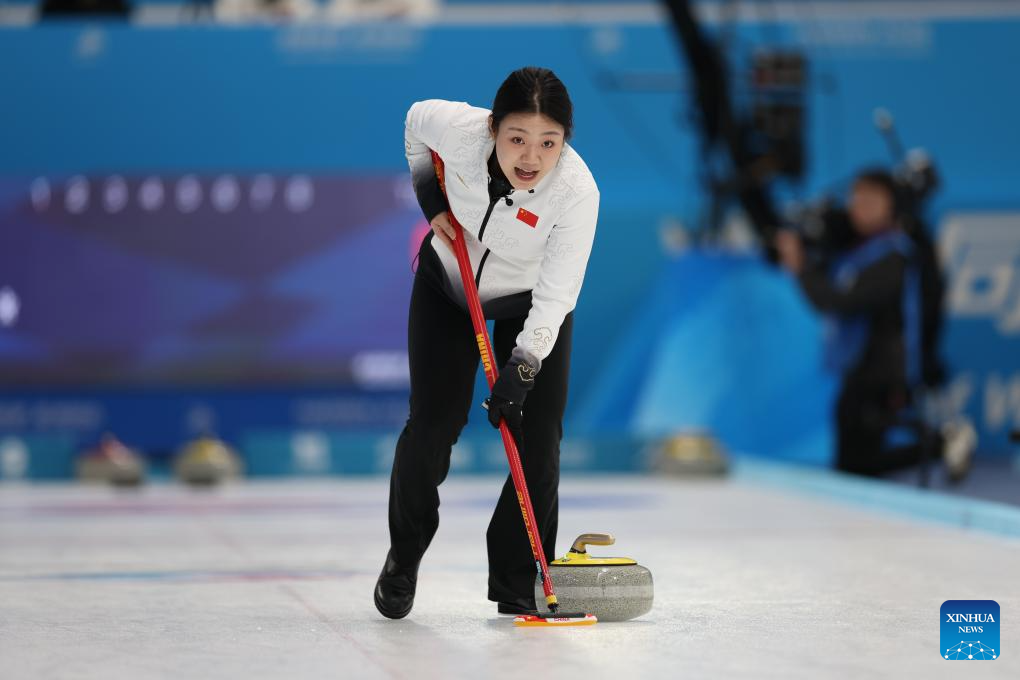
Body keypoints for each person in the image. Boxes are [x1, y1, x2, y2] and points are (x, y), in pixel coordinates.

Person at [375, 67, 599, 619]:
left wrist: (523, 367)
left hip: (530, 303)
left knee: (538, 437)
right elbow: (414, 123)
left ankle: (519, 579)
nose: (531, 157)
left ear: (565, 141)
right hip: (449, 286)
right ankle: (404, 556)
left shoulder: (576, 193)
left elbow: (557, 294)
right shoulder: (460, 131)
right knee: (433, 426)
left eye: (549, 143)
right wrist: (431, 200)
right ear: (493, 128)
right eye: (517, 138)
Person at [775, 170, 974, 479]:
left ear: (892, 205)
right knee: (851, 466)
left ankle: (941, 443)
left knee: (858, 466)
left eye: (871, 201)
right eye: (856, 200)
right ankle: (940, 443)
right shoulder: (858, 250)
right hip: (856, 369)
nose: (860, 208)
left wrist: (801, 269)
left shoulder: (894, 256)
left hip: (882, 374)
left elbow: (841, 302)